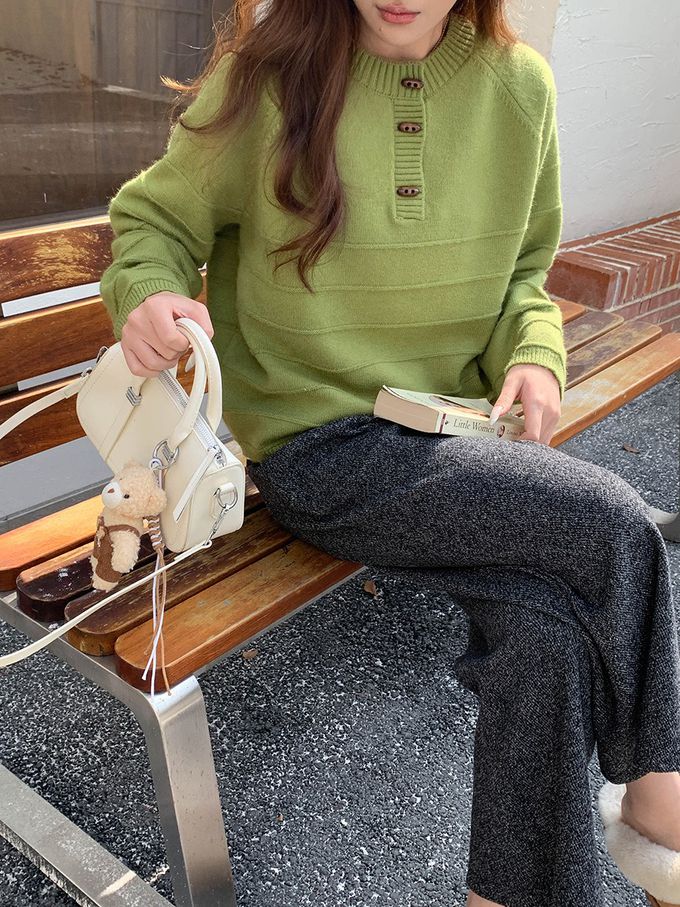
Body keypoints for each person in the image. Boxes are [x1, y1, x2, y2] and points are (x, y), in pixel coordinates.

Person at [99, 2, 680, 905]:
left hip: (455, 428)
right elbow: (154, 221)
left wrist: (533, 354)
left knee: (549, 635)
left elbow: (525, 278)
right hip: (319, 446)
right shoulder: (267, 81)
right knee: (613, 523)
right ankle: (663, 805)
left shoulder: (518, 89)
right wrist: (148, 292)